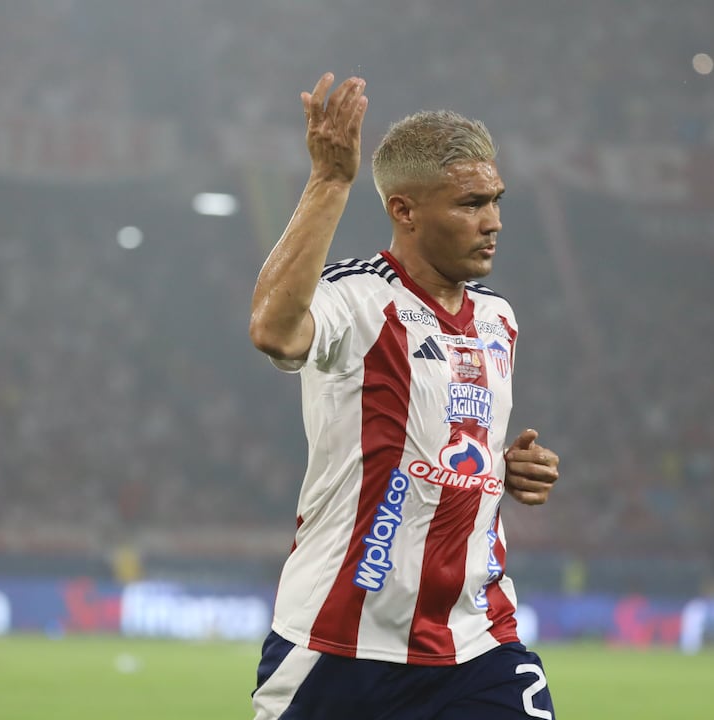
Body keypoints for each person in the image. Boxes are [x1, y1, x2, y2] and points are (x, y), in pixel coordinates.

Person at [247, 73, 561, 719]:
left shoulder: (498, 318)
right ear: (405, 210)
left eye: (496, 200)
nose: (494, 221)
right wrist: (330, 182)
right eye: (471, 203)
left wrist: (502, 465)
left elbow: (436, 436)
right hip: (340, 644)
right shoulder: (355, 298)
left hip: (478, 644)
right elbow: (273, 331)